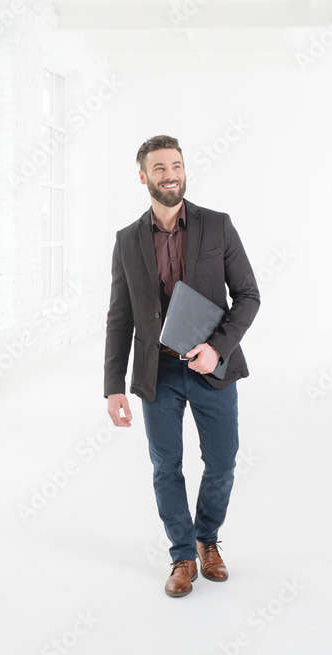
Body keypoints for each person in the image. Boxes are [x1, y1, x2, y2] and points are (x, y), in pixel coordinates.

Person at [104, 135, 260, 597]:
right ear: (143, 176)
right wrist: (113, 385)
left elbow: (248, 296)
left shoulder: (217, 226)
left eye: (176, 165)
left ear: (185, 170)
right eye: (159, 167)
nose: (170, 174)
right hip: (160, 374)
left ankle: (207, 538)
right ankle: (182, 556)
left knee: (222, 463)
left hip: (212, 369)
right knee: (165, 466)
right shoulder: (127, 241)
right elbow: (120, 315)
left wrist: (218, 347)